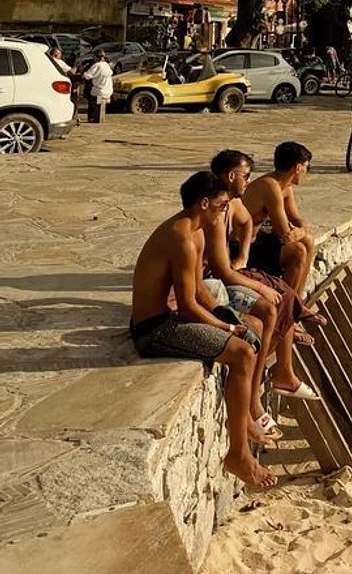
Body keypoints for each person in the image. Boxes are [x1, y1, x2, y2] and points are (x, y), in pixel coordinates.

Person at [130, 171, 276, 488]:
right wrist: (226, 327)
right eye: (223, 206)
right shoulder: (181, 237)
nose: (226, 212)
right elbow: (186, 307)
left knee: (252, 326)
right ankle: (237, 454)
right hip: (154, 329)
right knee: (241, 354)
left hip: (173, 316)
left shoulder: (196, 232)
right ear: (205, 203)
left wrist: (229, 317)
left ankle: (246, 414)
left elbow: (199, 290)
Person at [209, 150, 321, 415]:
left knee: (300, 256)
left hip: (237, 262)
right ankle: (268, 384)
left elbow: (251, 222)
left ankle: (292, 320)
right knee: (272, 304)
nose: (249, 182)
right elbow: (285, 235)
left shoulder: (234, 203)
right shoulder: (219, 208)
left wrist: (244, 257)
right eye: (246, 176)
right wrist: (254, 280)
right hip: (216, 279)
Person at [242, 142, 317, 298]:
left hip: (257, 241)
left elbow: (297, 219)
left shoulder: (285, 186)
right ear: (298, 168)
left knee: (308, 240)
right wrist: (299, 232)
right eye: (307, 168)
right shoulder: (270, 186)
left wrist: (301, 231)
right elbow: (285, 235)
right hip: (242, 247)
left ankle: (297, 302)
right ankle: (286, 307)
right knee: (297, 251)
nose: (306, 172)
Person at [84, 49, 114, 124]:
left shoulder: (97, 65)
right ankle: (94, 115)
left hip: (100, 91)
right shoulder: (106, 65)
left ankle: (92, 116)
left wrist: (82, 72)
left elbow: (87, 76)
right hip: (108, 90)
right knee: (92, 90)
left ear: (95, 57)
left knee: (87, 92)